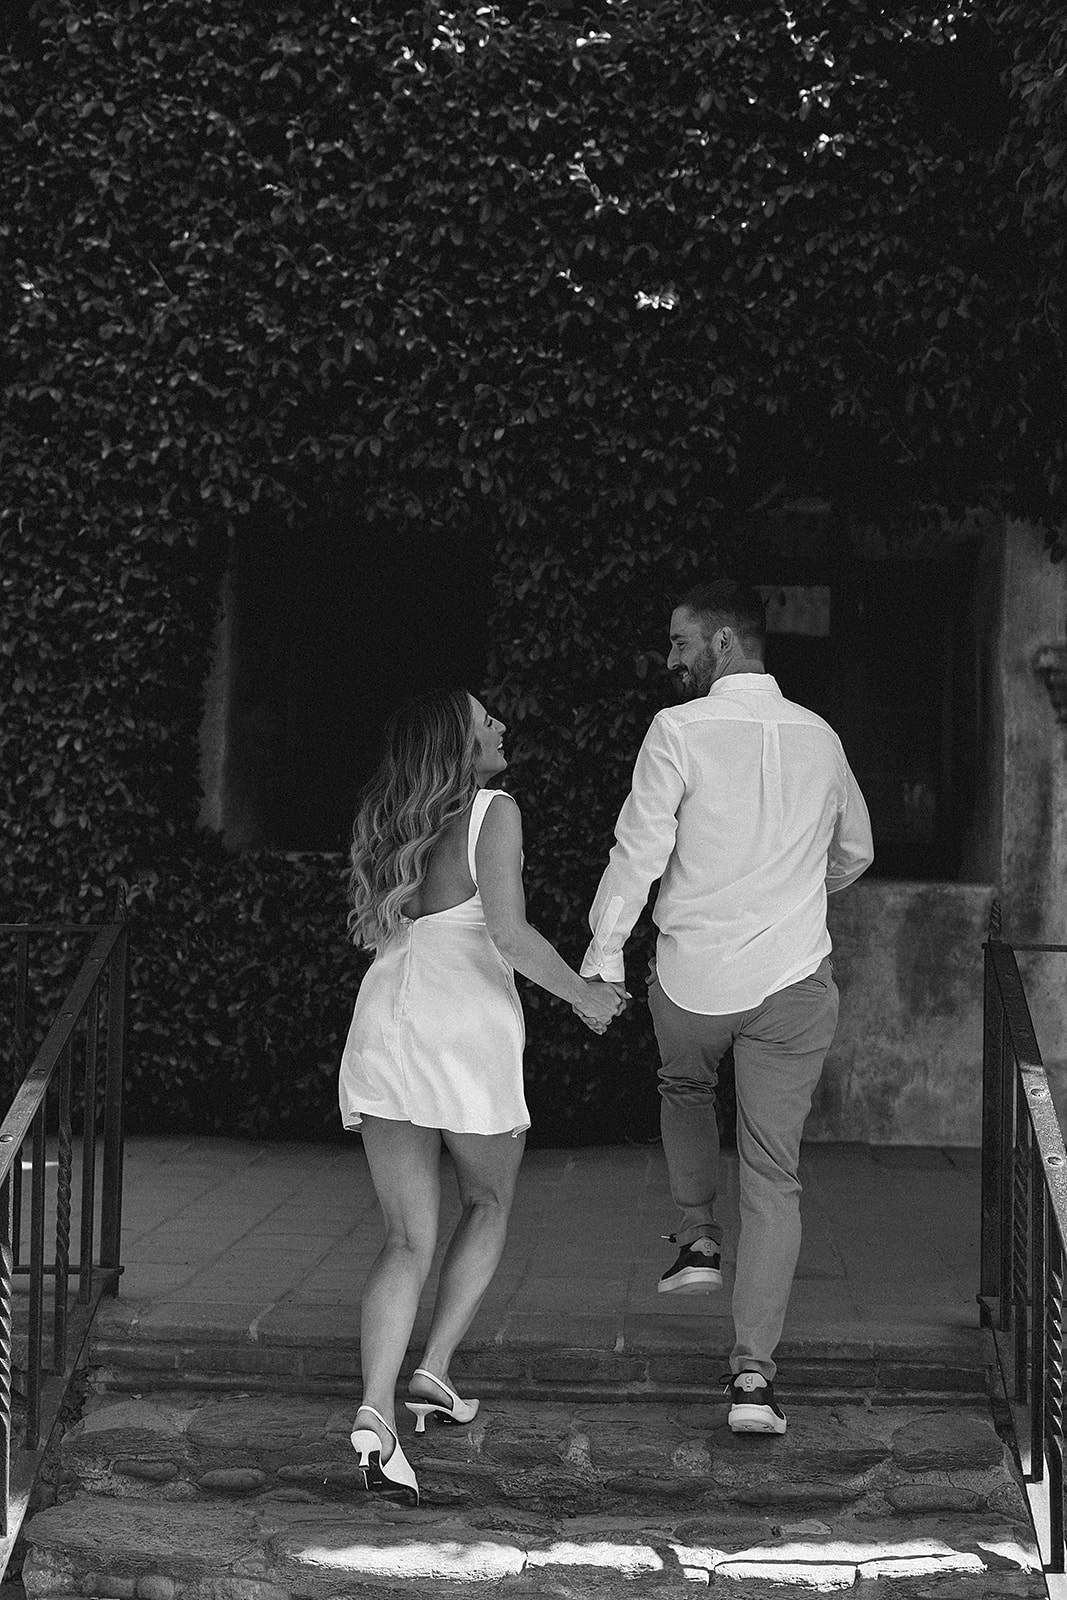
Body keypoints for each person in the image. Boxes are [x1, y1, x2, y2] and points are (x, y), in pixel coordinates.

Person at [580, 579, 873, 1435]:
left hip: (693, 978)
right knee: (774, 1176)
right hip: (792, 977)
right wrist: (792, 893)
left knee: (684, 1087)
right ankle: (751, 1380)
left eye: (678, 642)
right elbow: (854, 850)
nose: (667, 658)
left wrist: (602, 961)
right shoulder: (820, 736)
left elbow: (637, 851)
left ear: (721, 645)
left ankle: (697, 1234)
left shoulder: (678, 730)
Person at [339, 687, 625, 1504]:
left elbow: (383, 928)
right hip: (463, 1035)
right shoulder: (493, 810)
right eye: (482, 721)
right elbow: (506, 933)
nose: (499, 725)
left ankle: (375, 1413)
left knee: (403, 1240)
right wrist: (585, 996)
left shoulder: (390, 817)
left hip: (387, 1027)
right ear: (458, 748)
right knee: (490, 1202)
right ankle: (431, 1368)